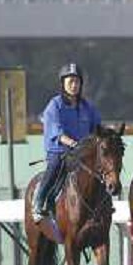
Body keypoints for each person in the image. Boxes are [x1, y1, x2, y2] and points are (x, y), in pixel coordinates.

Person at [32, 63, 101, 223]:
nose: (74, 85)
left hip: (82, 153)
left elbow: (97, 128)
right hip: (59, 152)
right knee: (55, 166)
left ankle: (103, 203)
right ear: (63, 84)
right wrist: (73, 143)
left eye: (77, 81)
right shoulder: (54, 105)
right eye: (70, 81)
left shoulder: (87, 107)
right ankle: (40, 200)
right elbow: (57, 132)